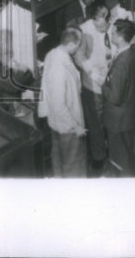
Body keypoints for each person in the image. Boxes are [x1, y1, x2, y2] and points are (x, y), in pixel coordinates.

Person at [38, 27, 87, 177]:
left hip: (55, 122)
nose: (79, 48)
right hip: (68, 126)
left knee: (59, 161)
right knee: (73, 166)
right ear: (72, 45)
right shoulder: (60, 68)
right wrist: (76, 127)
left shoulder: (52, 54)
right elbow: (59, 104)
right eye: (79, 45)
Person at [74, 2, 113, 174]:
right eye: (100, 24)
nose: (104, 27)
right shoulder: (84, 31)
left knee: (110, 117)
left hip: (110, 79)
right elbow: (78, 56)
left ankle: (111, 148)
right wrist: (91, 71)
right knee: (96, 123)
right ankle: (98, 157)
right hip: (93, 84)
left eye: (106, 23)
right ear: (93, 20)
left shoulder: (111, 25)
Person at [101, 19, 135, 177]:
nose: (111, 34)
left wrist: (102, 84)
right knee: (132, 150)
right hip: (130, 113)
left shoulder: (120, 65)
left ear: (120, 37)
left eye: (113, 33)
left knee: (120, 158)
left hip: (117, 120)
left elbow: (115, 97)